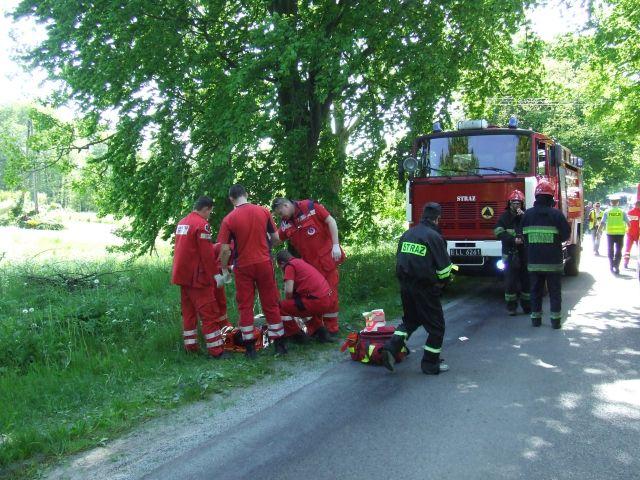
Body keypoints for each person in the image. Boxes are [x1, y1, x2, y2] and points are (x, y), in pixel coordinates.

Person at [381, 202, 456, 375]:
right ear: (437, 219)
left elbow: (400, 260)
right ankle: (430, 364)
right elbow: (445, 271)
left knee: (411, 320)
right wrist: (447, 280)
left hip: (406, 286)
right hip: (426, 288)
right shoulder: (434, 237)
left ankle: (391, 348)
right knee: (436, 327)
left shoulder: (408, 233)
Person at [217, 184, 286, 358]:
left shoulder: (229, 219)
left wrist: (224, 268)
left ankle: (250, 350)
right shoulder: (263, 211)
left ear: (231, 199)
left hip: (243, 267)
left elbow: (225, 250)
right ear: (246, 194)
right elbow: (276, 238)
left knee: (245, 306)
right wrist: (266, 248)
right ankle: (279, 345)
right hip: (264, 262)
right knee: (270, 303)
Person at [271, 197, 345, 337]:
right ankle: (318, 329)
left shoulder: (310, 207)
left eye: (281, 213)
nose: (282, 217)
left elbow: (331, 221)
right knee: (310, 297)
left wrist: (336, 245)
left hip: (325, 259)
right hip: (309, 265)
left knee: (331, 294)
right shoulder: (287, 224)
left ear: (286, 205)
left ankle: (332, 328)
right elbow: (276, 240)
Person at [171, 196, 226, 359]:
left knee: (188, 313)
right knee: (209, 313)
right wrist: (216, 275)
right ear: (206, 209)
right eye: (210, 211)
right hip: (197, 279)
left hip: (182, 277)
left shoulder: (182, 223)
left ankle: (191, 348)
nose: (210, 215)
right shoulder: (202, 225)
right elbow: (207, 255)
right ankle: (216, 351)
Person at [522, 180, 570, 329]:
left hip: (534, 262)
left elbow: (523, 236)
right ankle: (555, 322)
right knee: (555, 292)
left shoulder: (527, 215)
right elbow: (565, 235)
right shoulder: (557, 215)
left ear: (536, 197)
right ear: (551, 197)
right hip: (553, 263)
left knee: (535, 291)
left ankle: (536, 320)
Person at [275, 250, 336, 343]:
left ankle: (296, 336)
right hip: (326, 299)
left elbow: (288, 291)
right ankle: (320, 333)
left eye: (280, 267)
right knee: (299, 305)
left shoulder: (289, 266)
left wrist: (289, 303)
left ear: (282, 263)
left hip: (316, 301)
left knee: (280, 307)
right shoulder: (300, 262)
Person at [494, 189, 530, 316]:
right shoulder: (504, 217)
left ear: (522, 204)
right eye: (514, 203)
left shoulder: (526, 217)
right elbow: (498, 232)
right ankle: (511, 307)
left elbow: (531, 230)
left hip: (524, 254)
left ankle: (527, 306)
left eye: (519, 203)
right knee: (510, 283)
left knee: (526, 282)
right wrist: (513, 239)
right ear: (509, 203)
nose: (516, 206)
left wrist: (523, 217)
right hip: (509, 254)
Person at [598, 196, 629, 275]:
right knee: (618, 251)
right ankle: (617, 266)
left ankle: (612, 265)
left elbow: (602, 223)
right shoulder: (622, 212)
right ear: (618, 202)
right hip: (620, 234)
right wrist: (627, 230)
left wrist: (599, 231)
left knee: (610, 250)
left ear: (610, 202)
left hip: (610, 234)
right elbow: (629, 223)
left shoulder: (607, 212)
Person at [623, 200, 640, 269]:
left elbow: (626, 223)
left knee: (627, 249)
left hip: (629, 233)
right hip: (638, 234)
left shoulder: (629, 212)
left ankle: (625, 263)